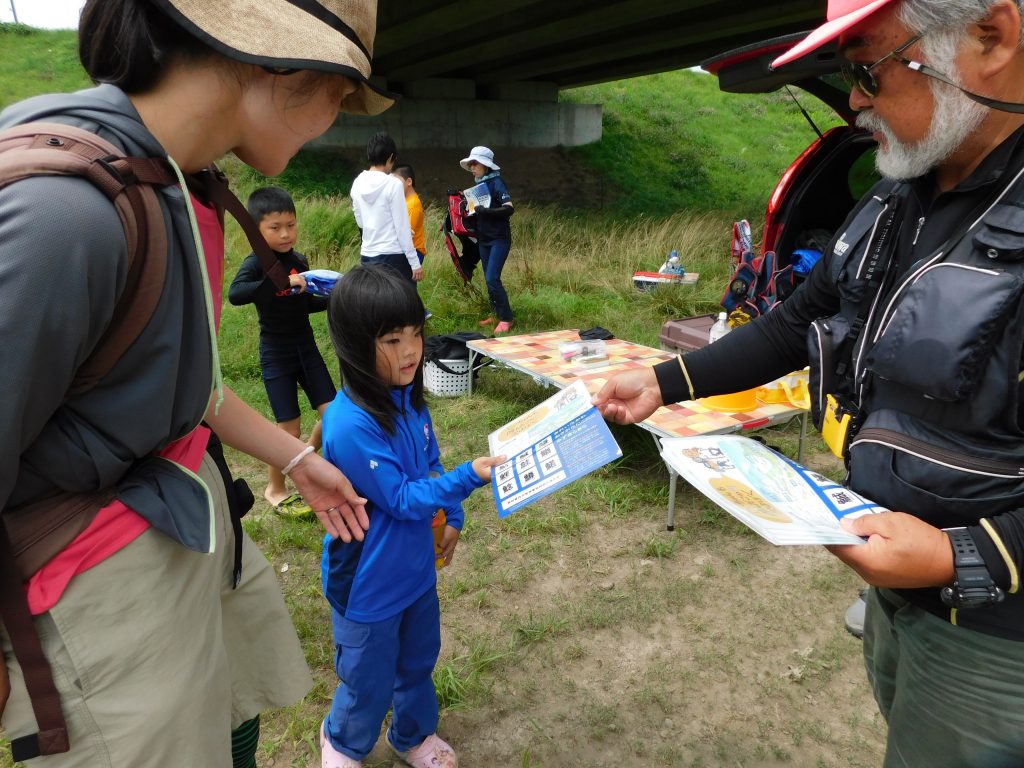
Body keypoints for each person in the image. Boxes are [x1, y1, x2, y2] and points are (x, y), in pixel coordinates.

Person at [594, 1, 1024, 765]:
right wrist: (666, 380)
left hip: (996, 644)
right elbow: (797, 322)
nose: (855, 101)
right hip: (897, 597)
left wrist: (968, 556)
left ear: (990, 38)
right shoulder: (898, 194)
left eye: (867, 69)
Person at [0, 0, 394, 764]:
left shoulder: (182, 183)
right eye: (339, 92)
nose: (337, 117)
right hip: (99, 592)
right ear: (273, 64)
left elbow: (184, 382)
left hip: (183, 530)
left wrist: (298, 460)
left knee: (233, 726)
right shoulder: (67, 215)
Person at [319, 266, 504, 768]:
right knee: (367, 677)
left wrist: (455, 515)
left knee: (417, 662)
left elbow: (430, 463)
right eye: (392, 339)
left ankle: (412, 735)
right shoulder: (349, 422)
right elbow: (401, 497)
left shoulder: (409, 403)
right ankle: (342, 742)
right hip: (367, 584)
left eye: (416, 334)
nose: (410, 351)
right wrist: (470, 477)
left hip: (417, 573)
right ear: (357, 345)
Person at [229, 186, 336, 514]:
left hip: (307, 348)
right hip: (276, 354)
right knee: (288, 427)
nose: (286, 233)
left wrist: (336, 297)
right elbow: (236, 293)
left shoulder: (299, 260)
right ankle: (275, 488)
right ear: (257, 230)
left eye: (291, 225)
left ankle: (304, 457)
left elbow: (304, 304)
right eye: (275, 228)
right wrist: (282, 283)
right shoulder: (256, 264)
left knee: (333, 414)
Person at [350, 132, 423, 284]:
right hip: (393, 256)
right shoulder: (393, 184)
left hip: (368, 254)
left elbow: (361, 223)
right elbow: (402, 227)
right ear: (390, 158)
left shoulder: (357, 182)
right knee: (403, 303)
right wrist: (415, 264)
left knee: (374, 303)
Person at [461, 145, 515, 333]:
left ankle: (507, 319)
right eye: (470, 164)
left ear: (486, 165)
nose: (472, 167)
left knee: (493, 278)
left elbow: (509, 208)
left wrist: (487, 212)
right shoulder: (478, 185)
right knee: (488, 278)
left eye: (475, 163)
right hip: (484, 240)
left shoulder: (497, 183)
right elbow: (474, 212)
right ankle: (496, 314)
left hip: (499, 239)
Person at [392, 163, 427, 267]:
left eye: (396, 182)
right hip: (407, 251)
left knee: (405, 283)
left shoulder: (413, 204)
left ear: (409, 181)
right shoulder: (404, 201)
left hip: (414, 252)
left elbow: (407, 235)